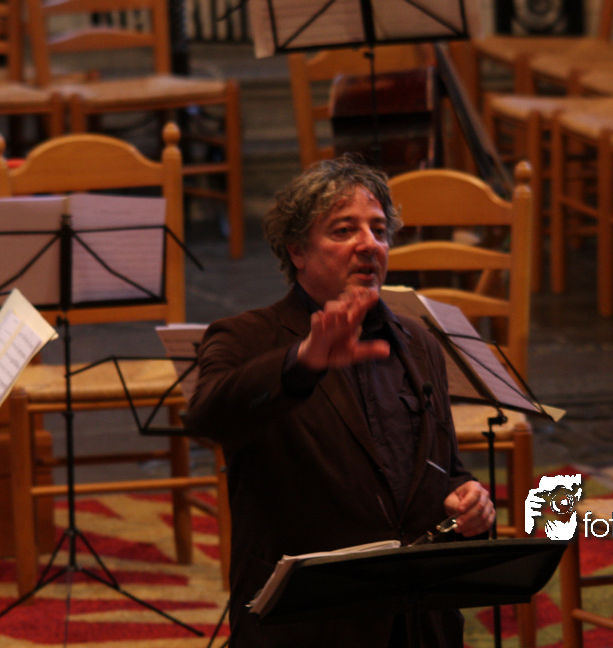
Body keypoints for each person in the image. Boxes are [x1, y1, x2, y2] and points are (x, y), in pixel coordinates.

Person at [185, 156, 495, 647]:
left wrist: (467, 496)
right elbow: (208, 418)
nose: (369, 244)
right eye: (344, 230)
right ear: (297, 251)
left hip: (417, 620)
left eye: (379, 230)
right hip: (308, 624)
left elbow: (444, 468)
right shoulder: (247, 338)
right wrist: (301, 362)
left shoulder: (418, 343)